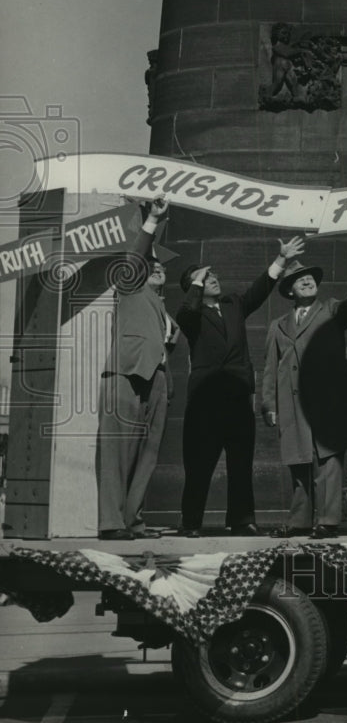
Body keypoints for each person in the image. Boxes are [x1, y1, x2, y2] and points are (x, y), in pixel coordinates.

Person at [261, 218, 347, 540]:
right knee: (299, 465)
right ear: (289, 289)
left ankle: (328, 522)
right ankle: (299, 522)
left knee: (328, 463)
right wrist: (269, 404)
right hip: (292, 405)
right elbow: (270, 367)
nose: (306, 281)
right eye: (298, 279)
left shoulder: (333, 311)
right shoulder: (277, 325)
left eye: (309, 278)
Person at [175, 235, 304, 537]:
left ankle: (241, 519)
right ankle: (191, 522)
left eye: (213, 275)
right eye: (206, 279)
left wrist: (282, 259)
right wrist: (195, 282)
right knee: (199, 463)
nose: (213, 280)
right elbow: (186, 313)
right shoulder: (190, 314)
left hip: (236, 396)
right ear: (193, 288)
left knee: (240, 462)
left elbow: (259, 290)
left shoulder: (232, 304)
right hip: (205, 401)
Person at [96, 196, 178, 540]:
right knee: (116, 451)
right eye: (151, 263)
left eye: (162, 266)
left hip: (157, 380)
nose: (157, 268)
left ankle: (132, 520)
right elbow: (135, 257)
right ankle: (111, 523)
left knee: (147, 454)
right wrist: (153, 220)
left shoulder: (162, 309)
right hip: (126, 376)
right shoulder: (129, 285)